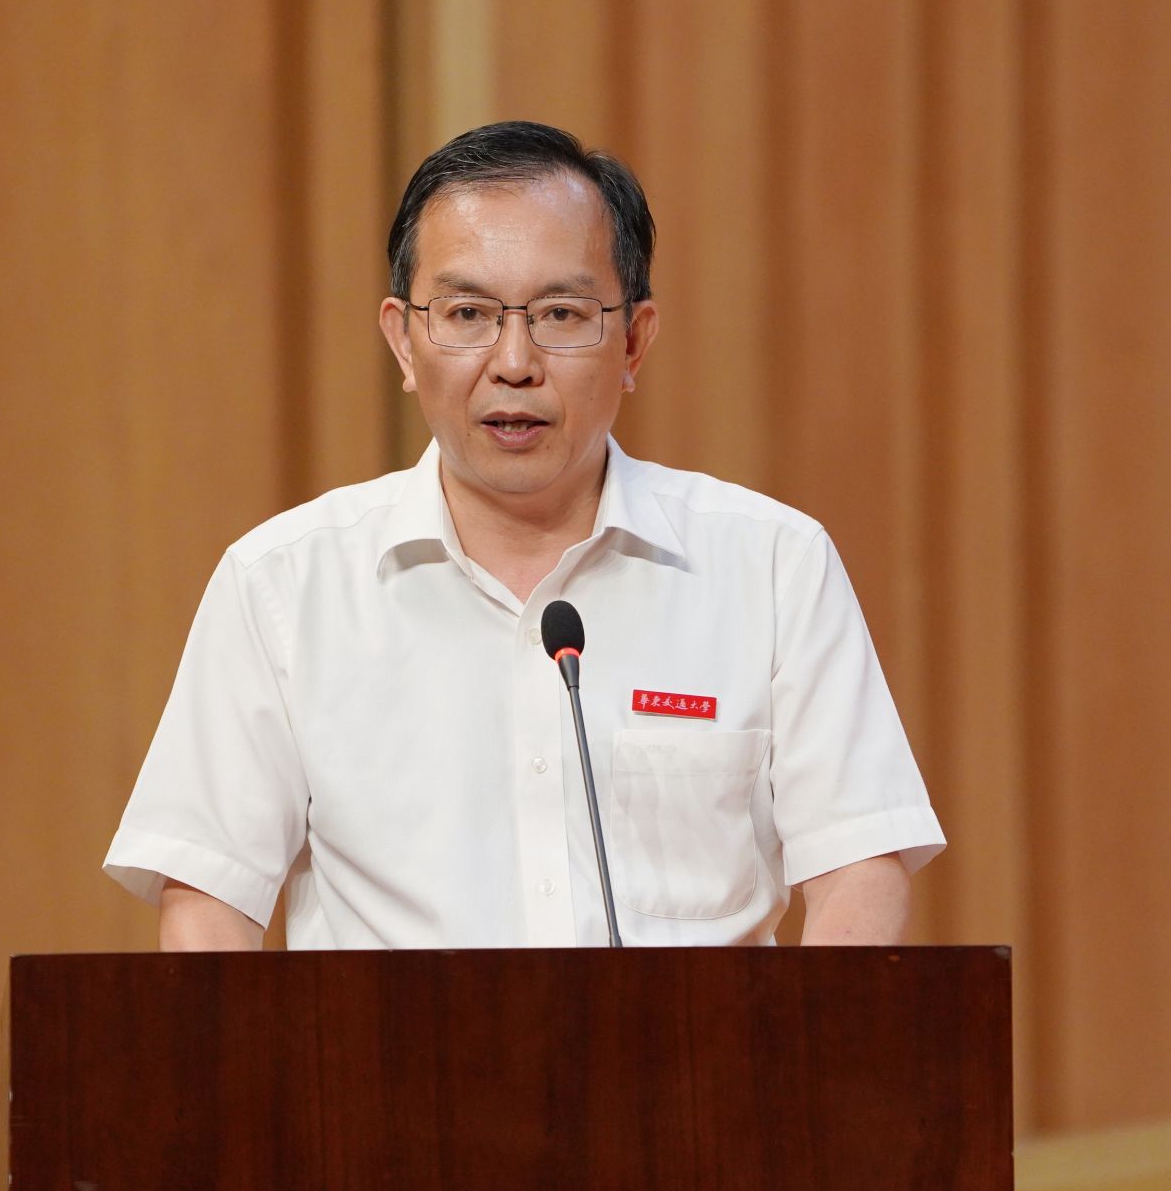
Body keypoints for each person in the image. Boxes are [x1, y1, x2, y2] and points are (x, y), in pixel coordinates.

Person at [103, 121, 943, 950]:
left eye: (561, 313)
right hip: (384, 1050)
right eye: (467, 312)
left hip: (698, 1049)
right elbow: (208, 902)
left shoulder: (771, 566)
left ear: (634, 341)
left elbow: (860, 868)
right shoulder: (283, 585)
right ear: (403, 340)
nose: (513, 361)